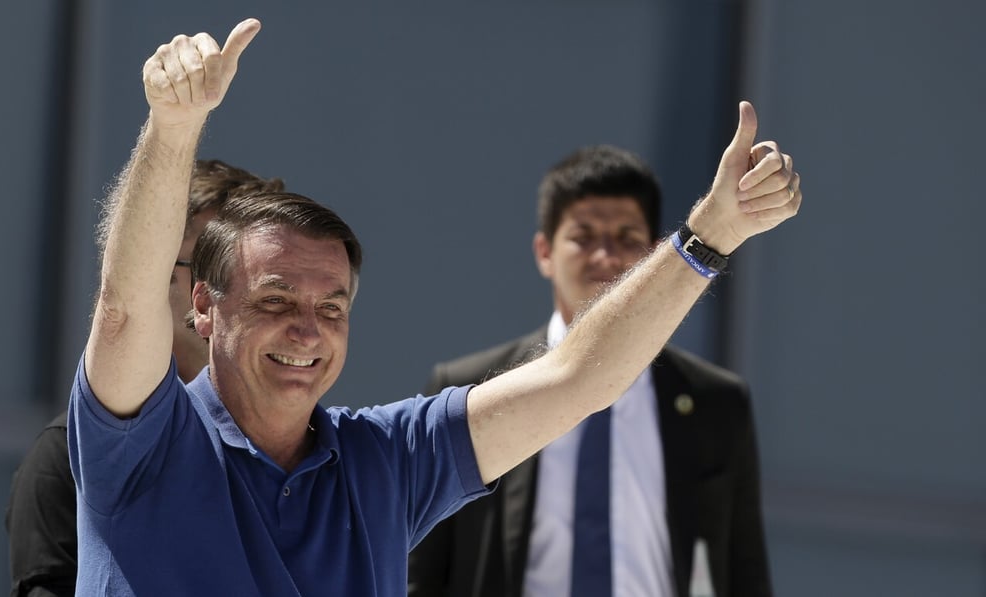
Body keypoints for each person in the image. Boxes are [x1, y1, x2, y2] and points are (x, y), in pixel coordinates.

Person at [68, 18, 800, 596]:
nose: (307, 329)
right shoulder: (141, 444)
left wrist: (710, 237)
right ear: (203, 305)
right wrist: (173, 127)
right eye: (276, 297)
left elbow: (576, 378)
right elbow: (123, 311)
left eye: (333, 307)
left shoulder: (385, 460)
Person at [408, 145, 772, 597]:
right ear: (545, 252)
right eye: (584, 237)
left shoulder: (717, 402)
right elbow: (421, 576)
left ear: (656, 254)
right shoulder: (473, 389)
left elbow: (745, 573)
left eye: (626, 237)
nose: (605, 255)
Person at [4, 159, 285, 597]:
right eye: (216, 265)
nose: (241, 289)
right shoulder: (65, 455)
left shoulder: (306, 450)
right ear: (153, 276)